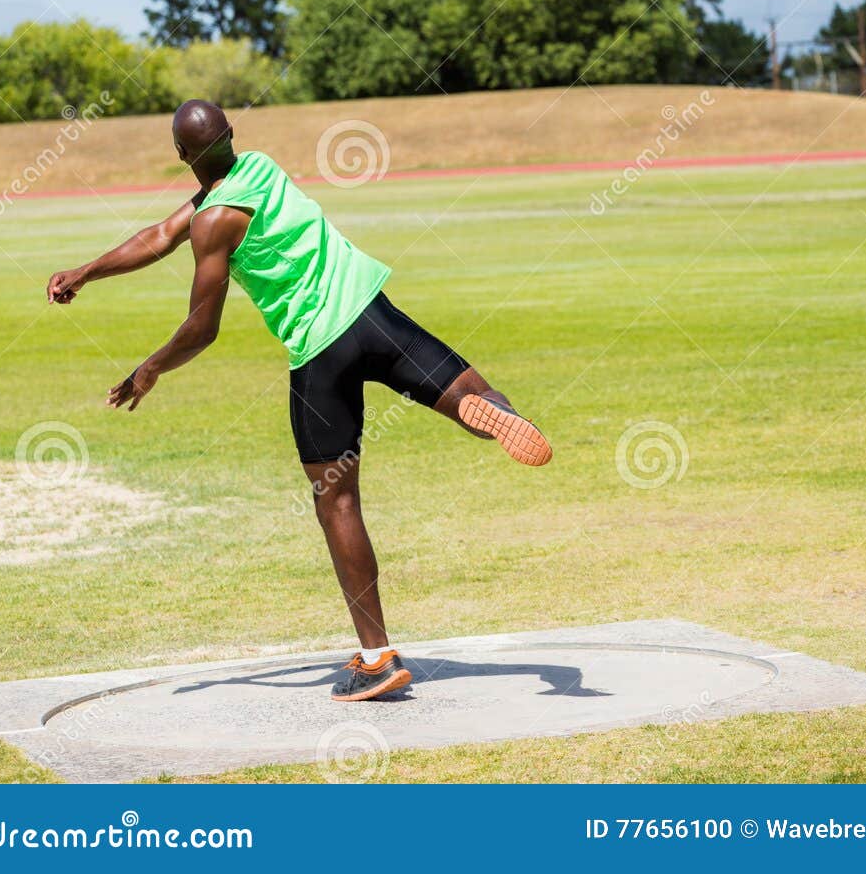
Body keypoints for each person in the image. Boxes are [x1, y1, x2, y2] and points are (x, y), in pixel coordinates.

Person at [46, 100, 551, 703]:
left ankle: (378, 657)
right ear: (231, 136)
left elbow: (201, 326)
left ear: (181, 156)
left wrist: (149, 368)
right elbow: (159, 234)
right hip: (374, 316)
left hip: (320, 356)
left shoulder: (212, 225)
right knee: (468, 392)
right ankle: (501, 414)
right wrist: (88, 269)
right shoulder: (258, 166)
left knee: (337, 502)